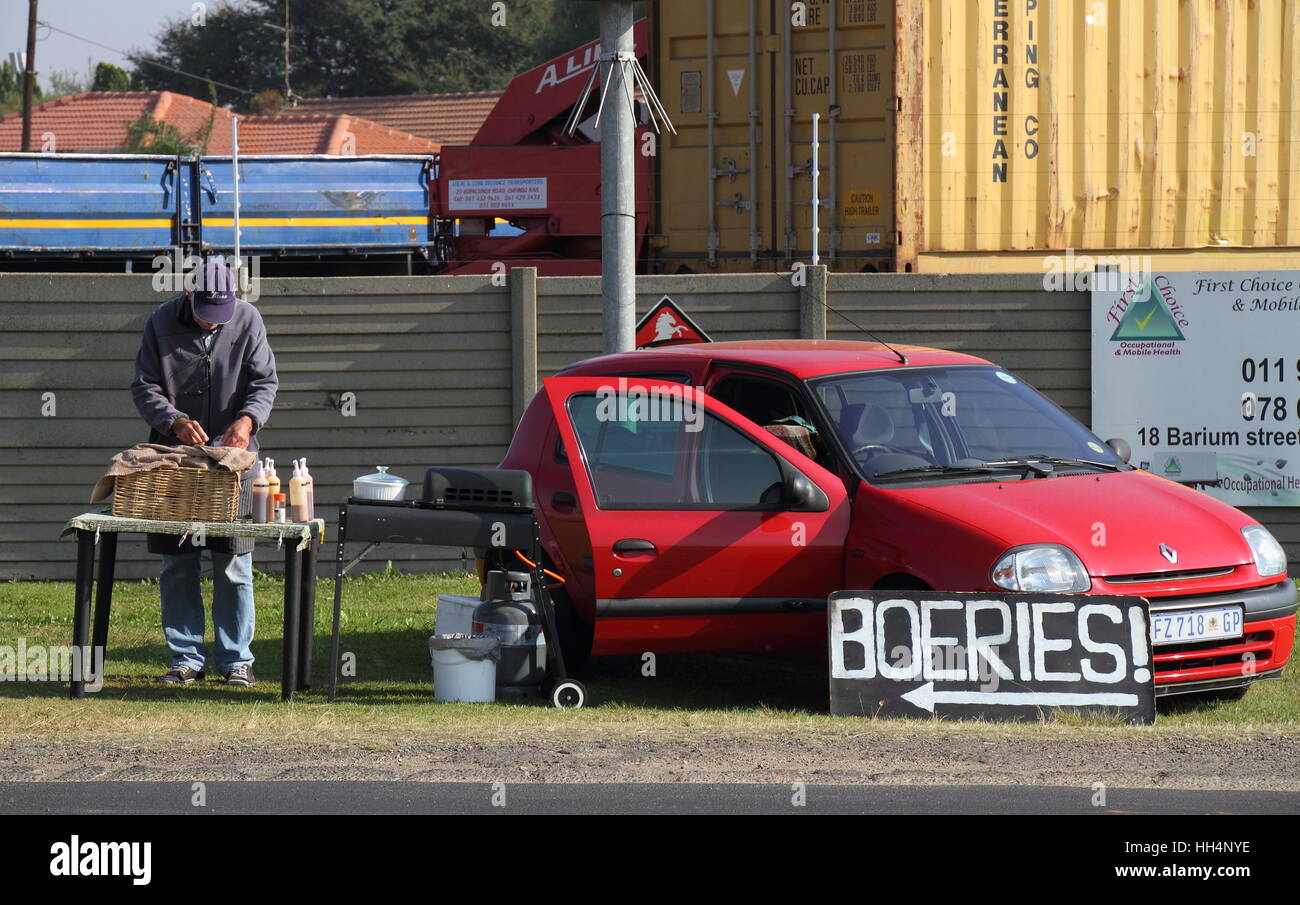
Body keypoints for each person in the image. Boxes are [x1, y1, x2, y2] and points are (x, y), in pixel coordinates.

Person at [131, 259, 278, 687]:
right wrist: (173, 420)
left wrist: (248, 421)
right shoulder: (160, 321)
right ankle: (185, 658)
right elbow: (144, 385)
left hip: (234, 465)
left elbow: (265, 382)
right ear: (190, 293)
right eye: (205, 312)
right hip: (176, 463)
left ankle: (237, 660)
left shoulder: (249, 319)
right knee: (178, 563)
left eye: (222, 313)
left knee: (234, 562)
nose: (214, 322)